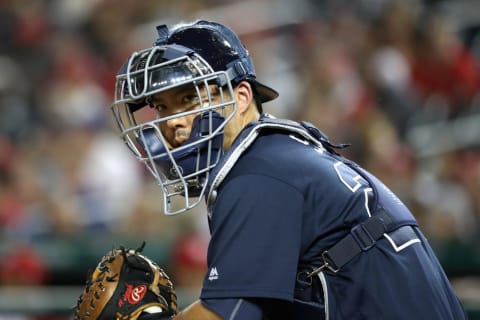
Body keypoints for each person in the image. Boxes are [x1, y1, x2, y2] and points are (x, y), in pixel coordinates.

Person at [110, 20, 467, 320]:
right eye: (160, 107)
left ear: (242, 96)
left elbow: (228, 315)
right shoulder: (277, 155)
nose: (173, 123)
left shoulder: (257, 175)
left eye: (189, 98)